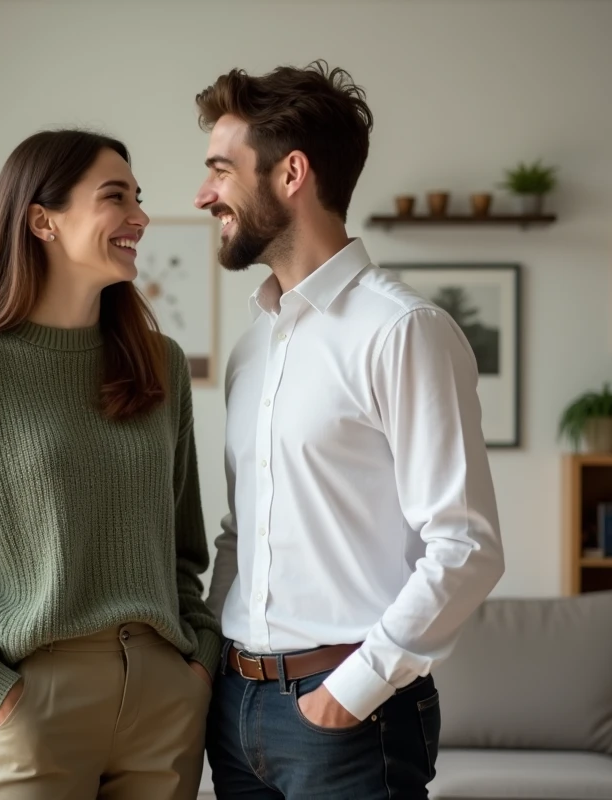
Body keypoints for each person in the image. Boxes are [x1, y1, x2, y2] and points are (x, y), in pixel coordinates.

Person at [194, 61, 506, 799]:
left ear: (291, 173)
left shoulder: (403, 331)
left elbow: (466, 546)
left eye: (220, 170)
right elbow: (241, 538)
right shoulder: (252, 347)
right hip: (235, 710)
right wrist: (209, 666)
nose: (204, 194)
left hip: (344, 715)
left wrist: (351, 692)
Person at [0, 129, 221, 800]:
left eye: (138, 197)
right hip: (37, 699)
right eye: (114, 197)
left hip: (164, 701)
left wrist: (198, 667)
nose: (139, 216)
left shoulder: (161, 366)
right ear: (42, 219)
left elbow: (184, 553)